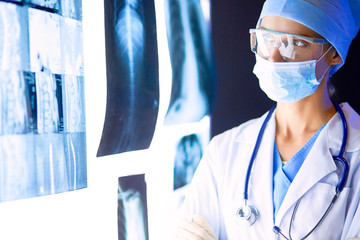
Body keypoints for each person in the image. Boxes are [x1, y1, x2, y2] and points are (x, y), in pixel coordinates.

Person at [176, 0, 360, 239]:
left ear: (334, 52)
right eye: (267, 39)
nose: (273, 58)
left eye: (295, 44)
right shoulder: (224, 151)